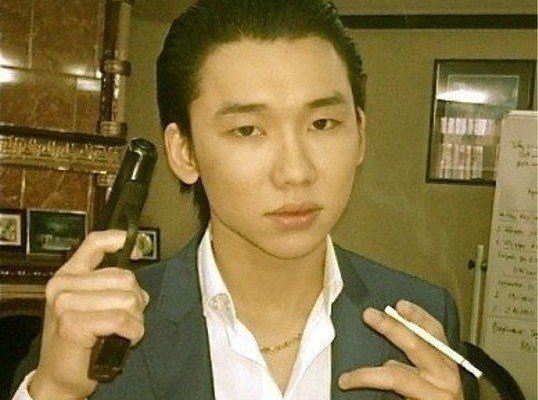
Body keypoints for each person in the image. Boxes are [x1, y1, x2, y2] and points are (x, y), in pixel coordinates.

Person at [11, 0, 478, 399]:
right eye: (248, 130)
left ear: (360, 135)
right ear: (184, 152)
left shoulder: (420, 319)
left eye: (322, 124)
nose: (296, 172)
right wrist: (56, 390)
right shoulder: (101, 333)